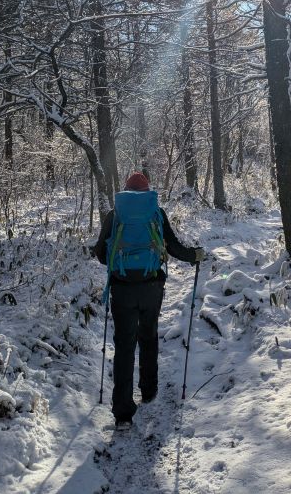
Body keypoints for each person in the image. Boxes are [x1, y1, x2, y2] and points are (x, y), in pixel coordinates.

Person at [94, 172, 205, 426]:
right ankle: (148, 390)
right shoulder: (156, 212)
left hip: (122, 289)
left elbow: (101, 254)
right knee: (148, 336)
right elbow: (174, 247)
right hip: (151, 286)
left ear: (125, 190)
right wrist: (195, 256)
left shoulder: (115, 214)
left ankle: (122, 412)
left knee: (124, 346)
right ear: (147, 191)